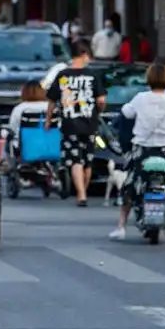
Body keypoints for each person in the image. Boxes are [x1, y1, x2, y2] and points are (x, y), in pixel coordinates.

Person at [110, 63, 165, 240]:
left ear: (148, 79)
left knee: (129, 185)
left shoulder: (140, 98)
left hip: (143, 150)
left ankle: (121, 226)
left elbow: (126, 114)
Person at [45, 40, 106, 206]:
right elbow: (101, 100)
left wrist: (48, 120)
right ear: (85, 54)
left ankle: (81, 194)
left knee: (75, 160)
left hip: (69, 124)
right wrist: (98, 111)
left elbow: (51, 101)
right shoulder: (93, 75)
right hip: (90, 123)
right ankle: (83, 192)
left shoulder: (63, 75)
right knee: (88, 160)